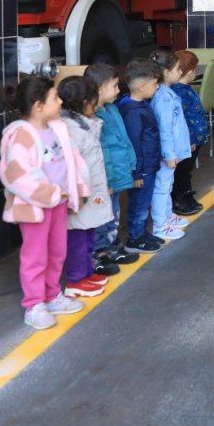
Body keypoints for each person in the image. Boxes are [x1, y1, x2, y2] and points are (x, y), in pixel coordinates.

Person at [0, 76, 90, 330]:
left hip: (58, 204)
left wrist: (76, 190)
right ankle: (34, 304)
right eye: (54, 97)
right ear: (38, 106)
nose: (61, 101)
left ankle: (52, 296)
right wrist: (50, 194)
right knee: (35, 256)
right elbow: (16, 174)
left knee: (57, 252)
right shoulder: (20, 135)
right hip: (35, 208)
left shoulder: (57, 128)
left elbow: (74, 161)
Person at [57, 76, 113, 299]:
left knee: (88, 233)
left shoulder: (84, 124)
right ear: (86, 103)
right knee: (78, 239)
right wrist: (76, 194)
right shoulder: (70, 130)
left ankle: (87, 272)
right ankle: (76, 279)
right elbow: (70, 167)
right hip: (80, 195)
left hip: (92, 190)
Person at [85, 63, 138, 273]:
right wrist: (102, 181)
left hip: (118, 173)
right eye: (115, 86)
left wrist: (131, 164)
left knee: (113, 214)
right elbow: (99, 152)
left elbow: (124, 140)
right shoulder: (92, 117)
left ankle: (112, 246)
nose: (118, 91)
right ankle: (98, 253)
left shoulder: (113, 109)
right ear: (99, 88)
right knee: (100, 217)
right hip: (104, 179)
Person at [118, 58, 164, 253]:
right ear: (143, 86)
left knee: (143, 204)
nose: (157, 88)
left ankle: (142, 232)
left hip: (148, 165)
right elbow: (134, 145)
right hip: (142, 169)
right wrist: (136, 173)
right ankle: (135, 239)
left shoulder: (136, 104)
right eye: (155, 84)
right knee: (139, 205)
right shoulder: (133, 112)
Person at [148, 49, 191, 240]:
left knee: (167, 184)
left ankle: (166, 216)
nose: (180, 72)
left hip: (172, 152)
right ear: (166, 72)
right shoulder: (163, 98)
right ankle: (159, 225)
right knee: (162, 187)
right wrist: (169, 154)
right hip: (168, 154)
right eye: (176, 69)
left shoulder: (166, 94)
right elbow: (164, 129)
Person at [169, 50, 209, 217]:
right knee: (182, 171)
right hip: (189, 141)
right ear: (190, 71)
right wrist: (190, 140)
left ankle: (185, 195)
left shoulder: (183, 89)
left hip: (194, 140)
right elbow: (182, 121)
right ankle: (179, 199)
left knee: (186, 170)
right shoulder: (180, 93)